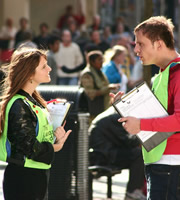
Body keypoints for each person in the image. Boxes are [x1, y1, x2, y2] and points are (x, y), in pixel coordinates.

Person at [110, 16, 180, 200]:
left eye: (141, 44)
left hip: (171, 164)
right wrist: (127, 108)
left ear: (158, 44)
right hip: (163, 162)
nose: (135, 50)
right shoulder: (163, 74)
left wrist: (140, 123)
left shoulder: (177, 74)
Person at [0, 47, 72, 200]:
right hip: (24, 179)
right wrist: (56, 147)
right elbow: (29, 146)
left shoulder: (32, 101)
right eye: (44, 66)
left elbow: (35, 137)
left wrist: (56, 137)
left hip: (36, 175)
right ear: (30, 73)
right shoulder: (19, 104)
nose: (50, 68)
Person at [89, 107, 146, 200]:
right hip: (102, 156)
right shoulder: (116, 118)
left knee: (138, 153)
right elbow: (127, 141)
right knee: (139, 154)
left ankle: (136, 190)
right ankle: (132, 191)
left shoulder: (112, 114)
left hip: (102, 153)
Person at [80, 50, 119, 121]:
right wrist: (108, 88)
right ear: (92, 62)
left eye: (102, 59)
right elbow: (90, 93)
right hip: (94, 111)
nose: (102, 62)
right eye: (99, 60)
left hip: (104, 108)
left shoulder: (99, 72)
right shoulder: (87, 74)